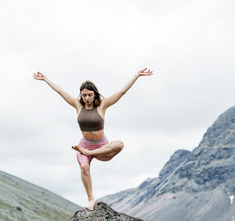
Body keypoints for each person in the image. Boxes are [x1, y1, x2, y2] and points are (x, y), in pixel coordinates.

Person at [33, 68, 153, 210]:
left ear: (95, 94)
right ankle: (90, 199)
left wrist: (136, 76)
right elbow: (60, 91)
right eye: (84, 95)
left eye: (89, 95)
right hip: (84, 145)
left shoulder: (103, 105)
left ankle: (89, 153)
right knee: (84, 167)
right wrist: (45, 79)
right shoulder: (78, 105)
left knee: (120, 144)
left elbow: (122, 92)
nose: (87, 98)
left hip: (102, 147)